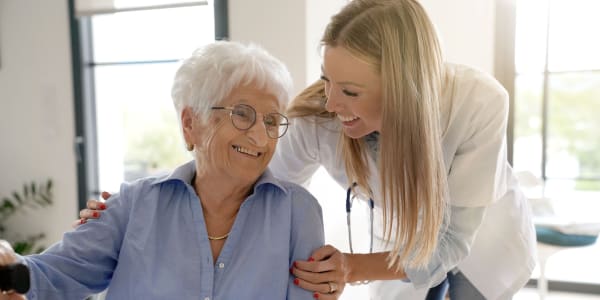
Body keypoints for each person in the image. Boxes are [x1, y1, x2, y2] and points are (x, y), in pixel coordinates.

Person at [77, 0, 538, 299]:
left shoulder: (479, 102)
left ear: (403, 89)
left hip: (485, 242)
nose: (332, 103)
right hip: (406, 245)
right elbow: (240, 177)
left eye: (352, 92)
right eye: (326, 80)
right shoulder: (317, 118)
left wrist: (351, 266)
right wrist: (140, 204)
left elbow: (453, 242)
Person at [0, 41, 326, 299]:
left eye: (271, 120)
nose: (260, 136)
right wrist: (9, 265)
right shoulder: (132, 205)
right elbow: (51, 276)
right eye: (242, 114)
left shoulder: (299, 214)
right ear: (190, 123)